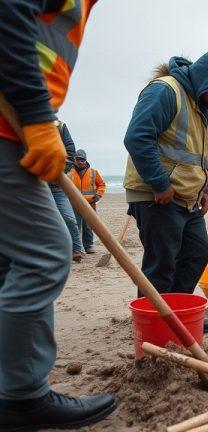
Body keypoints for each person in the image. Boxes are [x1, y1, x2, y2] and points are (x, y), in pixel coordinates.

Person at [0, 1, 118, 430]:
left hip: (16, 126)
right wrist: (36, 117)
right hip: (10, 125)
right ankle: (21, 397)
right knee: (46, 253)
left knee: (10, 261)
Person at [123, 51, 208, 333]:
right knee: (162, 264)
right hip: (156, 195)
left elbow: (206, 157)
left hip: (188, 198)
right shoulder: (166, 91)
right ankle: (157, 324)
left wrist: (207, 188)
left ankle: (177, 316)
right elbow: (137, 137)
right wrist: (159, 183)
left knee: (197, 253)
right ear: (205, 79)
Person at [50, 120, 86, 261]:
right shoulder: (23, 122)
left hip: (57, 184)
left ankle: (77, 249)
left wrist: (59, 171)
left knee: (70, 219)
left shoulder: (60, 126)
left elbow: (70, 151)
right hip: (36, 185)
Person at [70, 149, 106, 254]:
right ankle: (77, 248)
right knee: (75, 225)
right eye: (78, 159)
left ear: (86, 160)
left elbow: (102, 184)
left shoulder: (93, 172)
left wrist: (98, 195)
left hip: (90, 203)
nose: (80, 161)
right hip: (74, 203)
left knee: (88, 226)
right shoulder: (69, 172)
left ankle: (89, 246)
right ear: (74, 159)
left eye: (82, 159)